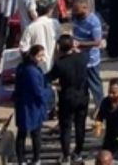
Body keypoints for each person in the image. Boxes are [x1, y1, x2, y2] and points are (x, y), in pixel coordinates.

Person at [48, 34, 92, 164]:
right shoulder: (83, 58)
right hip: (83, 95)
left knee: (66, 127)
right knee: (80, 125)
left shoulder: (60, 63)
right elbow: (83, 54)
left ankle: (66, 154)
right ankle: (78, 152)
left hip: (67, 97)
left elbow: (50, 77)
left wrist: (57, 56)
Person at [14, 45, 52, 165]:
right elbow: (38, 91)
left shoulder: (24, 67)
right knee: (34, 133)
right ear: (32, 56)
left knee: (23, 133)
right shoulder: (32, 71)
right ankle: (35, 159)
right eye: (39, 56)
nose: (41, 58)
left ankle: (23, 159)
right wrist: (49, 91)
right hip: (31, 106)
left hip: (24, 104)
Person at [71, 0, 105, 107]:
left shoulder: (93, 22)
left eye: (78, 11)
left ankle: (100, 106)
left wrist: (80, 44)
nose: (76, 14)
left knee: (95, 84)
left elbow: (97, 42)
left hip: (90, 60)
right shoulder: (76, 16)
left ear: (85, 8)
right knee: (81, 85)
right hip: (79, 58)